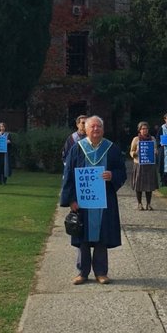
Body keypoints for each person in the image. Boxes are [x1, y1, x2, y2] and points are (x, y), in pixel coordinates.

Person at [60, 115, 128, 285]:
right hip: (82, 202)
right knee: (82, 235)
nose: (96, 129)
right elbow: (68, 175)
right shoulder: (77, 149)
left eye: (99, 126)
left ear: (103, 129)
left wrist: (112, 175)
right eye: (92, 127)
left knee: (101, 236)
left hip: (104, 200)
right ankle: (82, 272)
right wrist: (71, 200)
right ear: (86, 129)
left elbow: (122, 171)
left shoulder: (111, 148)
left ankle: (101, 272)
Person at [129, 122, 159, 210]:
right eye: (143, 129)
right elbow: (131, 152)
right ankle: (139, 204)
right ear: (139, 130)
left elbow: (156, 149)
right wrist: (135, 152)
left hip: (149, 165)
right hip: (139, 164)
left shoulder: (152, 139)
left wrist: (155, 152)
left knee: (149, 186)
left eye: (146, 128)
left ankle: (148, 204)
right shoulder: (136, 139)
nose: (144, 130)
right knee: (139, 185)